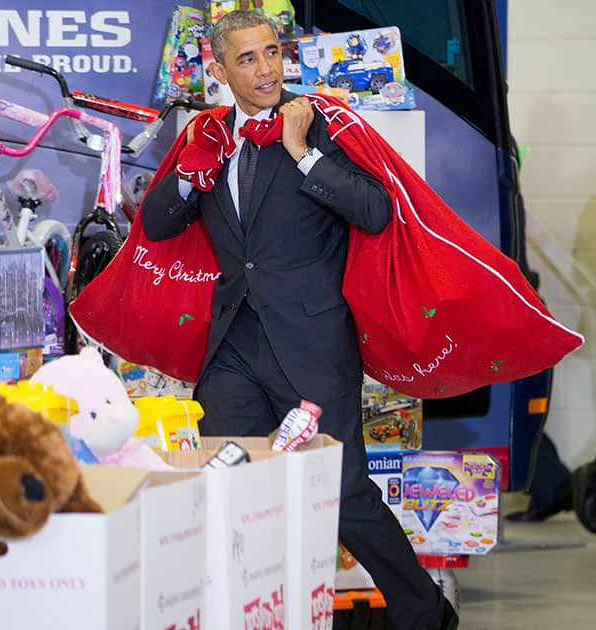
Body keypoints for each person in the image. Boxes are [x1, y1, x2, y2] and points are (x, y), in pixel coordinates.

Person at [141, 11, 456, 629]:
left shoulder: (321, 123)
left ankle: (426, 615)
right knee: (231, 486)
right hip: (233, 345)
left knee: (343, 495)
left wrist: (302, 153)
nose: (265, 70)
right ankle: (260, 614)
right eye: (248, 59)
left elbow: (374, 211)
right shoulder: (207, 135)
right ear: (220, 69)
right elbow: (156, 225)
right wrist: (187, 171)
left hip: (312, 343)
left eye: (271, 54)